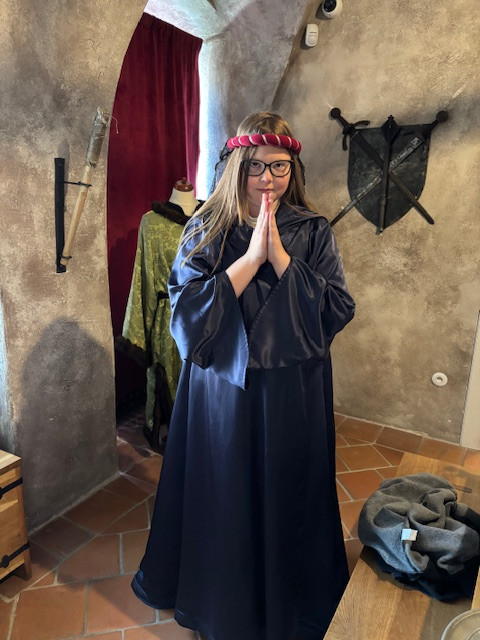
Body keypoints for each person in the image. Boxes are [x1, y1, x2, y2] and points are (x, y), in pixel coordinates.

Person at [131, 112, 355, 640]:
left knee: (287, 486)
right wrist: (251, 260)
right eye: (255, 166)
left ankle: (287, 596)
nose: (267, 178)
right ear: (236, 167)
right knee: (224, 486)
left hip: (292, 390)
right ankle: (222, 599)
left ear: (292, 170)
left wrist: (281, 258)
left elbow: (336, 308)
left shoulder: (313, 230)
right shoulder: (206, 226)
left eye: (279, 166)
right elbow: (187, 317)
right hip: (222, 394)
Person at [117, 178, 203, 453]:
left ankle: (206, 434)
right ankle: (172, 435)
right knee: (167, 377)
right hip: (169, 317)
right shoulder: (151, 222)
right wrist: (139, 331)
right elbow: (143, 275)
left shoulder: (212, 218)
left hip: (207, 312)